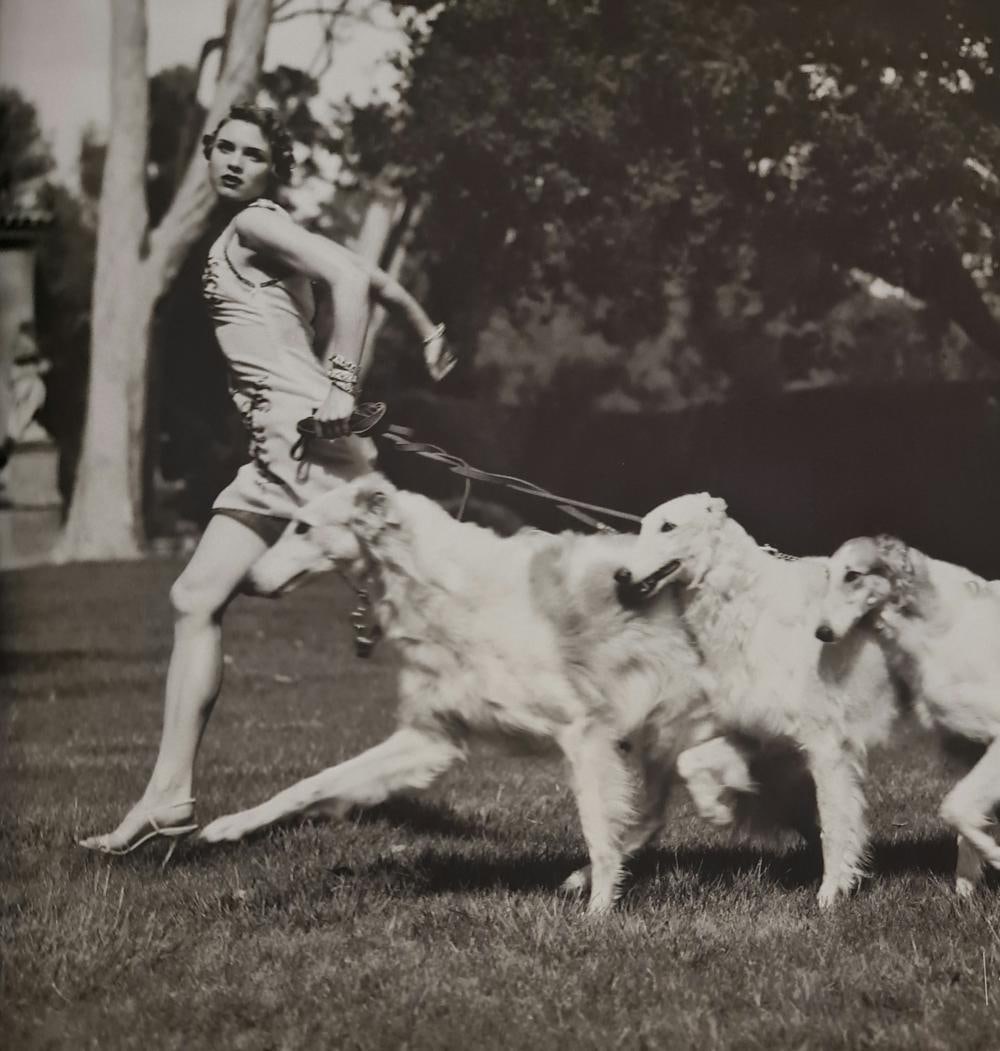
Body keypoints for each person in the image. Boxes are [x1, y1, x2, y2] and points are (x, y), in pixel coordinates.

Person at [80, 104, 453, 856]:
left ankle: (567, 671)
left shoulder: (253, 224)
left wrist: (341, 383)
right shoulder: (264, 229)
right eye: (225, 147)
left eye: (252, 152)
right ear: (209, 151)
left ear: (271, 168)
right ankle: (168, 799)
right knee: (194, 596)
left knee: (438, 589)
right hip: (273, 451)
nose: (234, 161)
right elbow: (369, 274)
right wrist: (423, 325)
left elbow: (349, 275)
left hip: (306, 445)